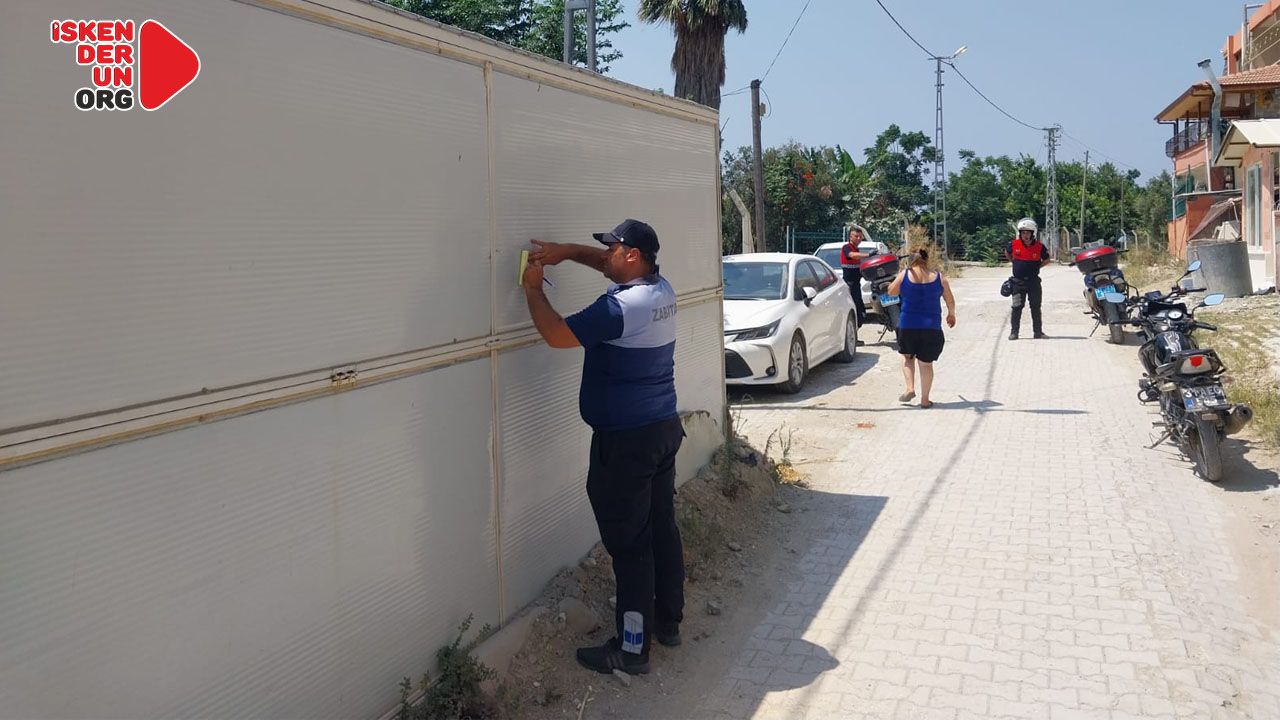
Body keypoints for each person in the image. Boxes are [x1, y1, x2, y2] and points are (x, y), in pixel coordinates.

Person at [522, 219, 684, 676]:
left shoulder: (620, 308)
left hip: (625, 444)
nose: (605, 255)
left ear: (632, 255)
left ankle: (632, 649)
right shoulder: (660, 288)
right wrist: (566, 251)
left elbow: (556, 335)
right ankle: (667, 622)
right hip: (661, 430)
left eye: (612, 249)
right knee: (660, 529)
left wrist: (533, 288)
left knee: (630, 546)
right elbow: (606, 266)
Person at [887, 240, 956, 408]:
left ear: (911, 258)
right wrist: (951, 315)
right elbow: (950, 300)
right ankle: (925, 400)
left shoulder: (904, 274)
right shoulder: (939, 277)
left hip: (908, 325)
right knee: (926, 364)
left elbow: (891, 292)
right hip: (931, 327)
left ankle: (910, 388)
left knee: (907, 357)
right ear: (927, 259)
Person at [1006, 217, 1051, 340]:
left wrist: (1038, 266)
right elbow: (1007, 253)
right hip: (1018, 282)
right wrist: (1015, 263)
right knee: (1016, 307)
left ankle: (1038, 332)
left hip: (1033, 282)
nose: (1025, 235)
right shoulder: (1013, 244)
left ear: (1033, 233)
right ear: (1019, 233)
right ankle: (1014, 332)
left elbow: (1047, 259)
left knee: (1035, 307)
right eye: (1023, 233)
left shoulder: (1039, 247)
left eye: (1028, 233)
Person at [839, 226, 871, 330]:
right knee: (855, 309)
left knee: (860, 309)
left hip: (856, 285)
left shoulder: (857, 249)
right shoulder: (846, 248)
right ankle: (853, 335)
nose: (859, 238)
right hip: (850, 285)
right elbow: (852, 255)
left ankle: (855, 333)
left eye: (860, 237)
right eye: (856, 236)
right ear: (850, 237)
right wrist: (868, 254)